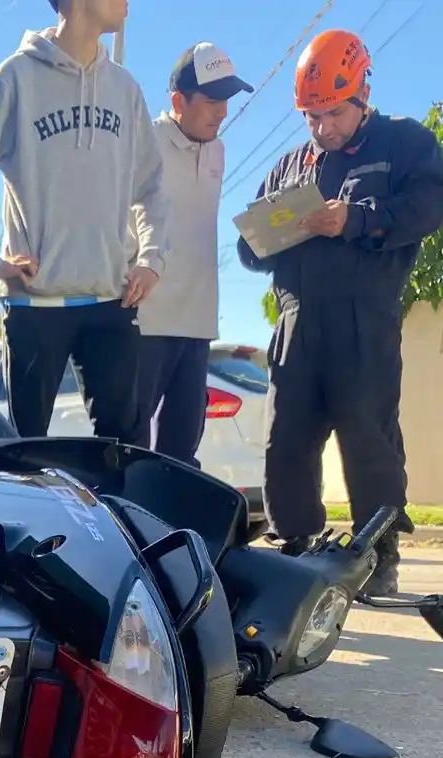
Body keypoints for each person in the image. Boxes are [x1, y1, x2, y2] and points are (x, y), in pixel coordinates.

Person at [236, 28, 443, 594]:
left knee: (367, 436)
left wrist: (353, 218)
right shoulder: (289, 167)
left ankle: (379, 556)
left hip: (364, 317)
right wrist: (267, 234)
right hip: (297, 321)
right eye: (311, 117)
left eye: (332, 114)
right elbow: (247, 248)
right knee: (287, 442)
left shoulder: (404, 145)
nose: (322, 128)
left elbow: (427, 207)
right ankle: (296, 554)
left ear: (361, 94)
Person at [0, 0, 169, 444]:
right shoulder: (15, 79)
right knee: (24, 460)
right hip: (35, 307)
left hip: (109, 301)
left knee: (124, 457)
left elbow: (153, 187)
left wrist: (151, 258)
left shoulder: (124, 89)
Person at [129, 43, 253, 467]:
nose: (222, 113)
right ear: (178, 101)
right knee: (130, 446)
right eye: (213, 101)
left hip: (198, 324)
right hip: (146, 321)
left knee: (182, 450)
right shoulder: (142, 142)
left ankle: (174, 532)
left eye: (227, 102)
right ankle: (126, 532)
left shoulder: (217, 149)